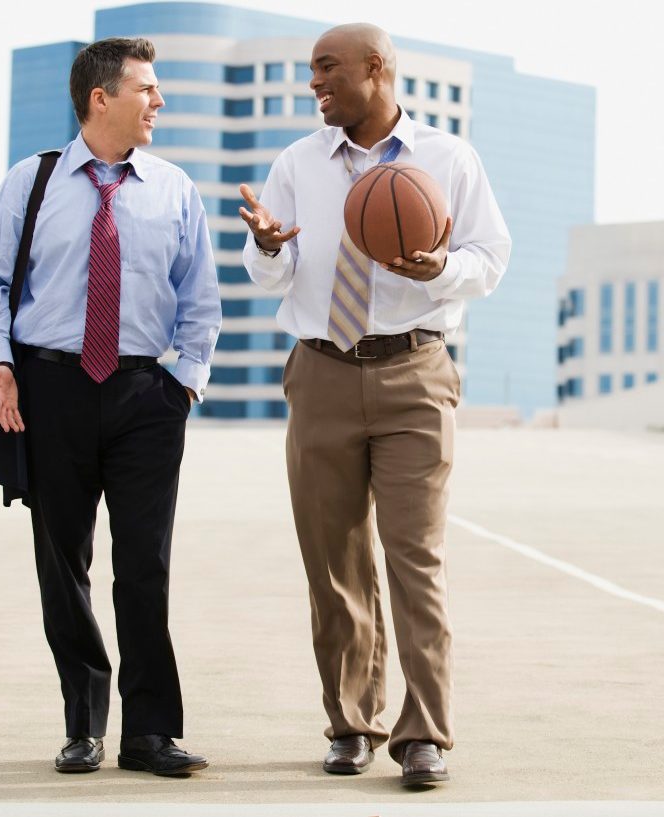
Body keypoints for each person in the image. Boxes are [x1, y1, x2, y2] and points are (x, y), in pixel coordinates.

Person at [239, 23, 510, 787]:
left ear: (376, 69)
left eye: (328, 69)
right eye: (311, 72)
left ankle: (424, 733)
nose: (315, 83)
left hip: (413, 372)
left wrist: (439, 268)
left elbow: (490, 259)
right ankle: (351, 721)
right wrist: (265, 245)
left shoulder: (448, 159)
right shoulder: (297, 161)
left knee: (414, 557)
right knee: (334, 564)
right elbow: (278, 273)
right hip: (321, 371)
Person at [0, 37, 221, 776]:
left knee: (146, 565)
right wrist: (1, 366)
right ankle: (84, 722)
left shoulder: (174, 188)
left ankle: (150, 732)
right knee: (62, 562)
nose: (159, 101)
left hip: (147, 393)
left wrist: (187, 383)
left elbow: (200, 300)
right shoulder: (32, 181)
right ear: (100, 97)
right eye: (148, 88)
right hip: (51, 390)